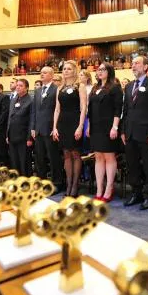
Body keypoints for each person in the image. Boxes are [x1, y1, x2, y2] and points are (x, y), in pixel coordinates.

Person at [121, 56, 148, 210]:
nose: (133, 66)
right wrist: (123, 131)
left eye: (137, 63)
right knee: (132, 166)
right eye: (132, 64)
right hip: (130, 133)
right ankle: (136, 193)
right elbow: (125, 111)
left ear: (146, 67)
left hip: (146, 134)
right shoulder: (129, 86)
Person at [88, 63, 123, 202]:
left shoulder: (115, 88)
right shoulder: (95, 88)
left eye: (103, 69)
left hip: (109, 127)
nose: (100, 72)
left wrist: (114, 127)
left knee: (109, 157)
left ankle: (109, 187)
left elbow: (117, 109)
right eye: (99, 70)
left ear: (109, 71)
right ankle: (99, 188)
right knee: (98, 157)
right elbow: (90, 110)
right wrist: (89, 125)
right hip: (95, 127)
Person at [53, 60, 88, 197]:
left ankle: (75, 185)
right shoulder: (59, 88)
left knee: (75, 154)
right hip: (62, 123)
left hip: (75, 121)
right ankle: (68, 184)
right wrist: (54, 127)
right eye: (64, 69)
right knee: (66, 154)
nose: (65, 71)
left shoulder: (80, 86)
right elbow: (57, 109)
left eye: (68, 69)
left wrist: (80, 127)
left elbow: (83, 108)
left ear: (74, 70)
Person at [31, 67, 64, 192]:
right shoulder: (38, 91)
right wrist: (33, 127)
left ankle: (57, 183)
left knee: (53, 157)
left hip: (50, 129)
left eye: (45, 73)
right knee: (39, 158)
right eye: (41, 73)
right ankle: (41, 182)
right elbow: (34, 111)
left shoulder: (57, 89)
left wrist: (56, 127)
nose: (42, 74)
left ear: (51, 75)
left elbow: (58, 110)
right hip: (38, 130)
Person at [7, 79, 33, 175]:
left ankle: (25, 181)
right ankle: (16, 180)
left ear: (26, 88)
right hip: (12, 135)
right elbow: (10, 117)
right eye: (17, 85)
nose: (17, 87)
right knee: (14, 161)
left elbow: (31, 120)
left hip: (23, 136)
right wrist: (7, 134)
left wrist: (29, 138)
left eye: (21, 85)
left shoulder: (30, 100)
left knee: (24, 161)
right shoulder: (14, 99)